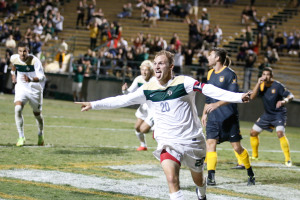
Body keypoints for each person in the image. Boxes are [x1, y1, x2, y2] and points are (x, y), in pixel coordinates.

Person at [76, 50, 252, 200]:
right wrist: (94, 104)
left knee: (198, 180)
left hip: (192, 141)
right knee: (171, 179)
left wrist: (238, 96)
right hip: (167, 142)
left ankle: (202, 193)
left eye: (161, 63)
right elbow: (123, 100)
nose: (157, 66)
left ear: (171, 67)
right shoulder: (149, 88)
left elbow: (208, 90)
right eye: (155, 63)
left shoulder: (184, 83)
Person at [201, 48, 255, 187]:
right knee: (210, 144)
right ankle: (211, 177)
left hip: (229, 116)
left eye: (211, 55)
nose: (208, 57)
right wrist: (204, 113)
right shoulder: (209, 73)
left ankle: (250, 173)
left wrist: (217, 104)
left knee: (237, 147)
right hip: (213, 116)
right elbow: (208, 96)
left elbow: (234, 95)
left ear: (218, 58)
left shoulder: (230, 74)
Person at [249, 67, 294, 167]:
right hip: (267, 115)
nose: (265, 77)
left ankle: (288, 159)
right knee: (253, 133)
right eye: (264, 74)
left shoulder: (278, 86)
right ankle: (255, 156)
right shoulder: (261, 86)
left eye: (268, 75)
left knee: (280, 133)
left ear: (271, 76)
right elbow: (252, 97)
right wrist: (257, 83)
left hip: (279, 114)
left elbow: (291, 96)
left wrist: (284, 101)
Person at [10, 42, 46, 147]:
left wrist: (30, 79)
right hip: (21, 88)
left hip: (34, 90)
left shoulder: (35, 61)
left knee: (37, 114)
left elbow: (42, 77)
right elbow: (13, 66)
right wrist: (13, 75)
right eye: (20, 51)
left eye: (24, 51)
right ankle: (21, 136)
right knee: (17, 109)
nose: (22, 53)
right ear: (18, 51)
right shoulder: (14, 58)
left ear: (28, 51)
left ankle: (40, 134)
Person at [122, 60, 155, 151]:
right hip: (144, 107)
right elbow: (129, 93)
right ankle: (143, 145)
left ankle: (157, 129)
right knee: (137, 127)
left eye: (146, 70)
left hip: (153, 107)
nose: (144, 72)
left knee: (143, 129)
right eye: (142, 69)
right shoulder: (138, 79)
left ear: (151, 71)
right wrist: (125, 90)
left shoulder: (155, 80)